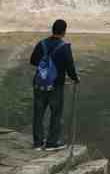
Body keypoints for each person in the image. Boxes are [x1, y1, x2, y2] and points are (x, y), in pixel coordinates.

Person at [29, 19, 80, 151]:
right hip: (56, 86)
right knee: (56, 114)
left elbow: (33, 61)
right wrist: (75, 78)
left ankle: (37, 143)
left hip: (39, 83)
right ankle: (52, 143)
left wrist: (45, 66)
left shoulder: (41, 44)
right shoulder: (65, 47)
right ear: (64, 31)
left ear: (52, 29)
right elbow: (70, 66)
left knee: (38, 114)